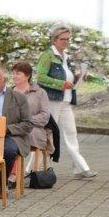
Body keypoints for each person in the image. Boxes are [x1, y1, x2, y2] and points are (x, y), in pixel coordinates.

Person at [37, 25, 95, 179]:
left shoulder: (66, 56)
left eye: (68, 39)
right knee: (48, 134)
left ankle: (80, 169)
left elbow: (68, 77)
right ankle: (32, 169)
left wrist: (78, 77)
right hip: (52, 101)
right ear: (54, 40)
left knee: (71, 133)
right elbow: (40, 77)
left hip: (66, 100)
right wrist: (60, 84)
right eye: (63, 39)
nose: (66, 42)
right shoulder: (47, 55)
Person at [11, 62, 53, 169]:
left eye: (18, 73)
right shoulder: (8, 93)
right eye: (13, 73)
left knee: (16, 139)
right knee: (5, 140)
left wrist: (26, 121)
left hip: (33, 129)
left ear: (28, 76)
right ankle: (11, 172)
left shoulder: (40, 92)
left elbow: (45, 116)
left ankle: (14, 174)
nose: (14, 76)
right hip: (12, 128)